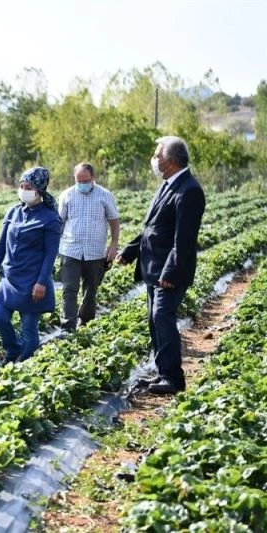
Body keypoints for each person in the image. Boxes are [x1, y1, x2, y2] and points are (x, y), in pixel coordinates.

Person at [117, 136, 205, 395]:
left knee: (162, 317)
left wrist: (171, 271)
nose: (154, 160)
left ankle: (174, 378)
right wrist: (130, 251)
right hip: (152, 269)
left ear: (170, 160)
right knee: (154, 321)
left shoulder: (189, 190)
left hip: (168, 272)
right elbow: (152, 228)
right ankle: (162, 372)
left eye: (157, 155)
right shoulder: (168, 185)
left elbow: (184, 239)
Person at [0, 167, 61, 364]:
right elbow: (1, 244)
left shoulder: (50, 218)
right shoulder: (14, 212)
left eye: (28, 187)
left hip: (33, 281)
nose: (23, 190)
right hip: (9, 277)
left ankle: (27, 364)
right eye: (21, 186)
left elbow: (50, 254)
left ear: (39, 190)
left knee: (29, 329)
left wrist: (42, 282)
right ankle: (12, 349)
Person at [57, 162, 120, 331]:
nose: (82, 184)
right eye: (79, 181)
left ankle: (85, 323)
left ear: (93, 178)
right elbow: (59, 223)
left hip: (95, 251)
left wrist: (113, 245)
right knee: (69, 289)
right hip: (70, 249)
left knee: (90, 291)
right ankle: (68, 327)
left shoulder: (105, 195)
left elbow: (114, 221)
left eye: (86, 181)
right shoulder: (67, 195)